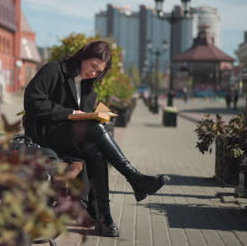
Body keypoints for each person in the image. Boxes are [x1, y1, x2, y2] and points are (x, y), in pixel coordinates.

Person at [23, 41, 170, 237]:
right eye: (93, 66)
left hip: (70, 140)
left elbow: (83, 118)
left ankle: (104, 218)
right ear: (83, 56)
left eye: (98, 72)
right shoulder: (54, 70)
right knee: (94, 128)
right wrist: (69, 113)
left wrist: (88, 115)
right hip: (46, 135)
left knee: (96, 152)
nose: (93, 73)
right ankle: (134, 179)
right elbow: (32, 101)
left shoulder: (88, 87)